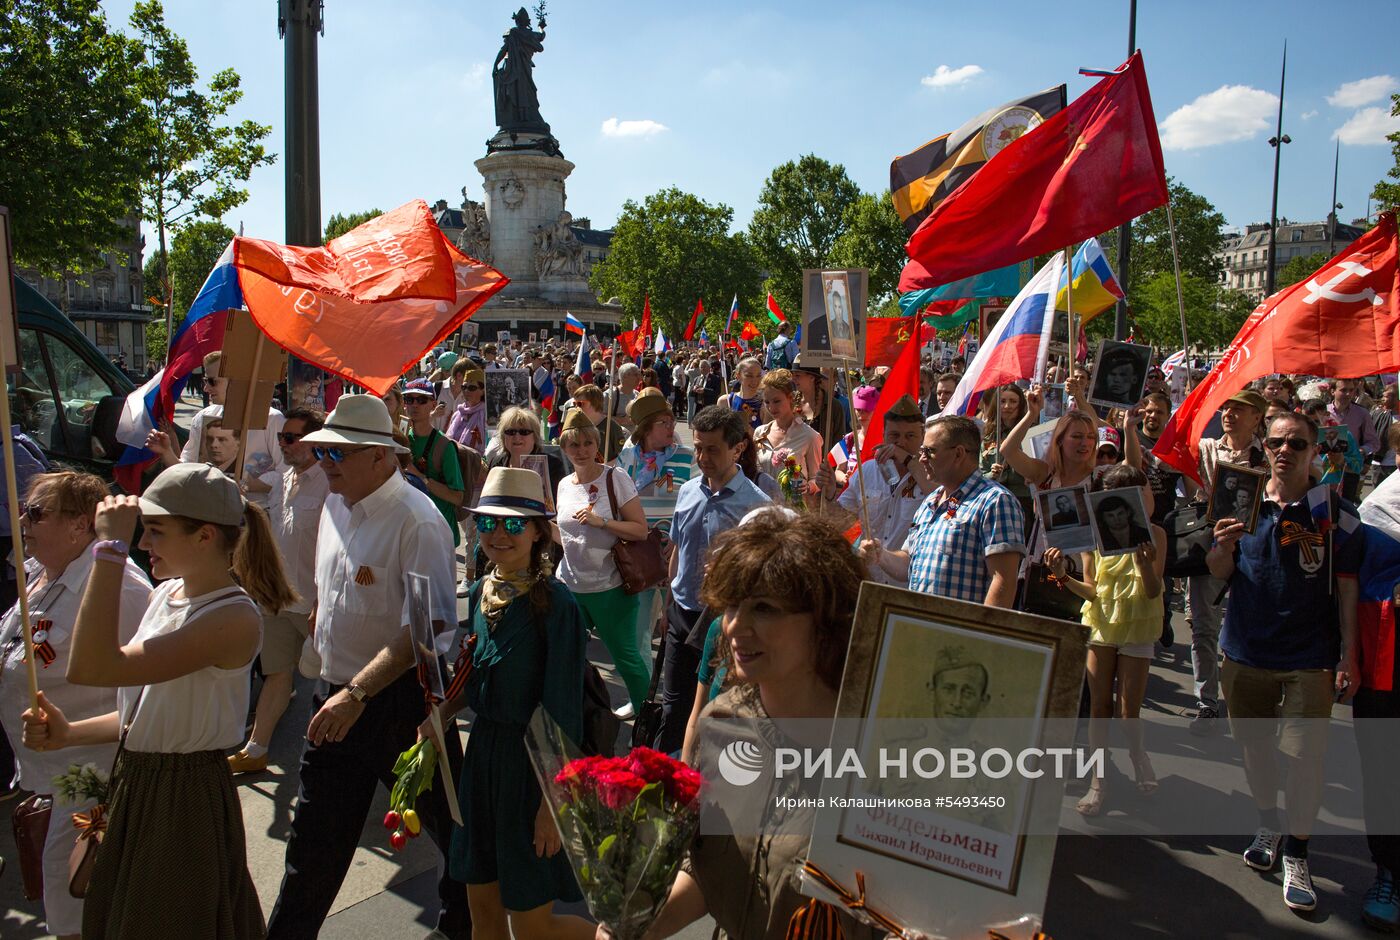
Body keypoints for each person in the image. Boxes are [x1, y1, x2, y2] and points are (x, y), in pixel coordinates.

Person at [23, 463, 295, 938]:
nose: (143, 544)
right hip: (139, 780)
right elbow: (142, 714)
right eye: (141, 533)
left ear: (205, 536)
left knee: (167, 920)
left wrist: (108, 550)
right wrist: (69, 734)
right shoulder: (167, 593)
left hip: (183, 796)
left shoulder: (233, 617)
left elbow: (93, 668)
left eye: (155, 532)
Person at [265, 395, 467, 939]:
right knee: (311, 848)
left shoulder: (419, 523)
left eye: (339, 451)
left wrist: (357, 693)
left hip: (401, 706)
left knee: (459, 840)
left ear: (382, 456)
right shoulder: (334, 503)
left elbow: (425, 632)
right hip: (332, 700)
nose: (325, 460)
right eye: (322, 450)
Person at [634, 510, 882, 939]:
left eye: (764, 608)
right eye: (732, 605)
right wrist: (637, 925)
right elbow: (711, 872)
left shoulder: (885, 754)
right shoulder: (722, 723)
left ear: (827, 620)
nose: (734, 626)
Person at [1208, 410, 1361, 914]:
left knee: (1303, 760)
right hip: (1246, 648)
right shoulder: (1241, 499)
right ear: (1264, 446)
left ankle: (1297, 851)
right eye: (1276, 442)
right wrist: (1221, 547)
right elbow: (1218, 571)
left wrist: (1348, 656)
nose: (1285, 451)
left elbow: (1346, 587)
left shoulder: (1332, 511)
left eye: (1297, 444)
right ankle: (1267, 822)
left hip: (1309, 657)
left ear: (1314, 451)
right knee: (1255, 752)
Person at [432, 468, 593, 940]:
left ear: (539, 532)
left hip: (531, 771)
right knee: (482, 910)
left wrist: (551, 804)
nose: (498, 535)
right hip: (481, 760)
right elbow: (475, 673)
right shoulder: (482, 590)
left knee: (532, 927)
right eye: (487, 524)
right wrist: (440, 714)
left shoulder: (559, 607)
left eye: (513, 524)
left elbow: (562, 711)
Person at [0, 472, 151, 938]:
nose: (23, 520)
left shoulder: (119, 589)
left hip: (91, 779)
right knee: (70, 897)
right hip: (51, 774)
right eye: (25, 510)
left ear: (81, 525)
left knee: (74, 901)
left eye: (37, 513)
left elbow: (144, 693)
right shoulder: (41, 573)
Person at [1047, 465, 1166, 815]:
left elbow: (1153, 589)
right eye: (1109, 511)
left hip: (1138, 625)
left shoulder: (1155, 535)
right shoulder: (1092, 541)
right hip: (1101, 626)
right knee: (1098, 709)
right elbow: (1093, 592)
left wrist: (1144, 564)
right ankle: (1098, 781)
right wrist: (1061, 576)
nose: (1115, 518)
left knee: (1128, 713)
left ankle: (1138, 755)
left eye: (1122, 509)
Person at [653, 405, 770, 755]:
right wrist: (666, 604)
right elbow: (678, 551)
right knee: (673, 709)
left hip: (725, 625)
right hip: (681, 616)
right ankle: (668, 782)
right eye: (699, 447)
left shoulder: (757, 506)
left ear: (738, 449)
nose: (702, 456)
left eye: (712, 449)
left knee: (717, 714)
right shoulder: (688, 491)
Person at [229, 409, 330, 774]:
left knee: (329, 678)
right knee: (276, 673)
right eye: (282, 438)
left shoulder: (332, 483)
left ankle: (329, 757)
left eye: (291, 438)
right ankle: (257, 748)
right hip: (278, 597)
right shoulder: (284, 478)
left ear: (314, 441)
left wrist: (324, 601)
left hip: (316, 604)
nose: (283, 444)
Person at [861, 416, 1025, 606]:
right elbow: (908, 563)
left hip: (960, 632)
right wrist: (880, 554)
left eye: (929, 451)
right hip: (921, 627)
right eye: (921, 451)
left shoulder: (995, 501)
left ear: (959, 453)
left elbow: (1003, 581)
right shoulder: (931, 501)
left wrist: (983, 633)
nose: (921, 458)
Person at [553, 409, 651, 713]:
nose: (581, 451)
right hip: (571, 586)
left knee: (627, 661)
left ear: (597, 444)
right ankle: (579, 713)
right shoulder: (564, 485)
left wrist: (603, 523)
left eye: (587, 443)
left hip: (611, 588)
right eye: (573, 445)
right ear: (564, 448)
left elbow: (641, 531)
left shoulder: (615, 477)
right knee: (566, 656)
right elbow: (568, 539)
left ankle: (648, 722)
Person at [1188, 389, 1267, 736]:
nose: (1229, 414)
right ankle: (1207, 702)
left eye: (1239, 410)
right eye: (1226, 408)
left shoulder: (1269, 455)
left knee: (1245, 627)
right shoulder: (1205, 449)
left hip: (1254, 551)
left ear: (1257, 419)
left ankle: (1246, 701)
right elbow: (1165, 448)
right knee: (1204, 626)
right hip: (1212, 546)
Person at [145, 350, 287, 508]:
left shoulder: (271, 419)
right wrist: (166, 452)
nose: (205, 388)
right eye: (205, 380)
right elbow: (188, 470)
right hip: (212, 512)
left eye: (212, 381)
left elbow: (286, 473)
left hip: (257, 513)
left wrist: (245, 485)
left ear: (235, 381)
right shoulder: (203, 418)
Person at [814, 394, 929, 587]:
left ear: (922, 438)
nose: (900, 442)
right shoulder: (866, 470)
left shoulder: (930, 475)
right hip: (867, 578)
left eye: (910, 436)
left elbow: (937, 494)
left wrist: (907, 460)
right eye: (894, 436)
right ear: (884, 435)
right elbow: (845, 521)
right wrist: (830, 493)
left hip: (908, 583)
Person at [1353, 470, 1400, 930]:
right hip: (1386, 662)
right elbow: (1353, 582)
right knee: (1385, 772)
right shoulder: (1382, 507)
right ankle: (1388, 871)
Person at [403, 378, 468, 546]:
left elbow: (457, 497)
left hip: (439, 535)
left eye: (421, 400)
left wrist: (421, 478)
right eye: (409, 399)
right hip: (410, 531)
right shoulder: (401, 441)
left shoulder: (444, 446)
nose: (415, 405)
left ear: (433, 404)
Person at [753, 369, 823, 501]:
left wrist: (808, 487)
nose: (771, 408)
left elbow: (817, 478)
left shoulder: (810, 436)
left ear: (790, 398)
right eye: (767, 402)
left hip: (794, 512)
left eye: (777, 401)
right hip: (763, 509)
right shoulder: (760, 433)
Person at [486, 406, 567, 507]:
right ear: (503, 436)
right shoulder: (497, 463)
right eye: (511, 432)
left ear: (535, 436)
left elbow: (557, 505)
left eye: (524, 432)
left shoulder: (552, 465)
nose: (517, 437)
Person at [979, 384, 1033, 526]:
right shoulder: (989, 435)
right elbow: (980, 472)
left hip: (1024, 499)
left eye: (1013, 401)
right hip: (994, 498)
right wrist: (992, 474)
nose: (1007, 406)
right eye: (1002, 401)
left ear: (1021, 405)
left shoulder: (1031, 431)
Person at [1329, 378, 1381, 501]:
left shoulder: (1362, 413)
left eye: (1351, 390)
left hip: (1349, 468)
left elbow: (1374, 442)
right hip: (1327, 469)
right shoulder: (1323, 412)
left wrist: (1361, 450)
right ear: (1332, 391)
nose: (1348, 394)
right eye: (1343, 390)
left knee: (1346, 508)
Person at [568, 384, 626, 463]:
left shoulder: (611, 427)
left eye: (580, 404)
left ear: (594, 403)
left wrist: (603, 469)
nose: (576, 407)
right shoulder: (578, 426)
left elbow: (623, 456)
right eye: (574, 404)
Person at [446, 366, 489, 453]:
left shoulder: (487, 414)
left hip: (476, 463)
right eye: (464, 387)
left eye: (472, 388)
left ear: (482, 391)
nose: (466, 391)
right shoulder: (458, 413)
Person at [718, 357, 765, 431]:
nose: (755, 381)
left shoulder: (765, 404)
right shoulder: (725, 401)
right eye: (749, 376)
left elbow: (767, 440)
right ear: (738, 376)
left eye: (758, 375)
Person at [606, 363, 642, 433]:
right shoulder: (610, 395)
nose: (639, 378)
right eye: (636, 374)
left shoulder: (638, 394)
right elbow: (600, 417)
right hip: (615, 439)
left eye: (639, 374)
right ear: (625, 376)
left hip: (633, 439)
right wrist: (622, 420)